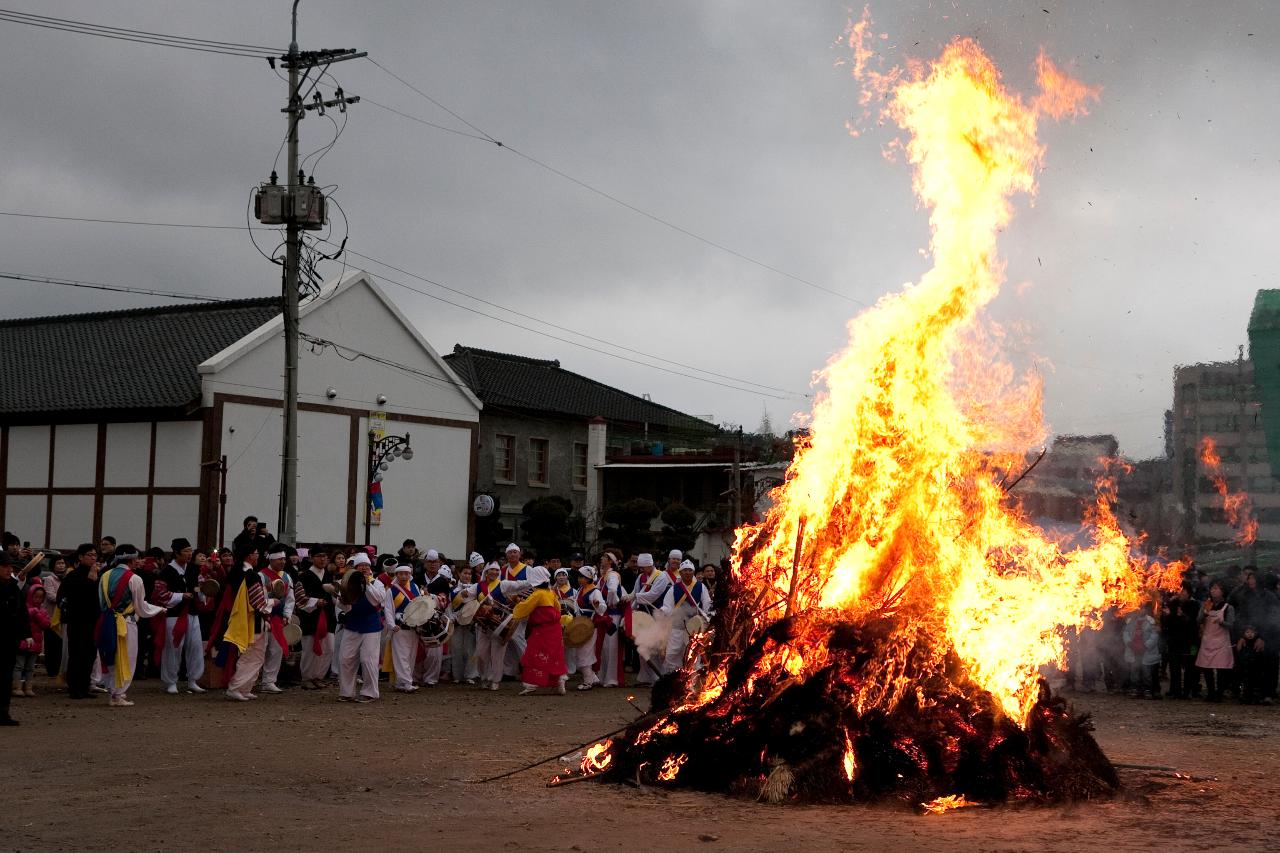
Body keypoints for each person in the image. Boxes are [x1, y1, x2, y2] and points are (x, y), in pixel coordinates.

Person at [96, 546, 166, 707]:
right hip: (126, 623)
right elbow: (141, 607)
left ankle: (112, 690)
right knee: (127, 657)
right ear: (131, 559)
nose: (138, 562)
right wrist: (159, 609)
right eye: (136, 559)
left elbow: (101, 602)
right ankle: (118, 694)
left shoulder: (105, 575)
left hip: (106, 621)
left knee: (109, 656)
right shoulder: (134, 579)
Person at [460, 562, 527, 691]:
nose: (495, 573)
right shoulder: (478, 586)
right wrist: (463, 594)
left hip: (499, 625)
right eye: (492, 570)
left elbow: (520, 585)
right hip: (483, 626)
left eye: (497, 570)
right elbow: (466, 595)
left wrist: (535, 581)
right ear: (486, 572)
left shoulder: (503, 584)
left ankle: (495, 680)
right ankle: (484, 677)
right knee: (481, 652)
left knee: (498, 654)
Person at [222, 545, 275, 702]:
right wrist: (273, 601)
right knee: (251, 654)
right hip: (252, 619)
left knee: (255, 655)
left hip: (244, 617)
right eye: (256, 553)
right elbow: (257, 602)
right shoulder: (250, 575)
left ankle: (245, 687)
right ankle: (236, 687)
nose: (258, 556)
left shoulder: (236, 573)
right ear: (249, 556)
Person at [335, 553, 387, 702]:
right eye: (360, 565)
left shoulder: (377, 583)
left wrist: (366, 584)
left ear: (370, 568)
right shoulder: (347, 583)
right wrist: (340, 598)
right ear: (355, 568)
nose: (364, 568)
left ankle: (370, 692)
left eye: (366, 565)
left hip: (371, 625)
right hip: (353, 624)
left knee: (368, 660)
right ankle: (346, 692)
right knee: (345, 658)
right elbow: (343, 606)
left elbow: (378, 599)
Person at [157, 537, 206, 695]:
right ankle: (171, 681)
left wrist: (203, 591)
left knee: (196, 646)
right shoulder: (166, 571)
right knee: (173, 647)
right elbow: (160, 594)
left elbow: (199, 587)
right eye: (186, 551)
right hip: (174, 615)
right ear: (176, 553)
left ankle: (193, 680)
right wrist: (180, 596)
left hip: (192, 613)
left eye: (191, 550)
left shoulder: (193, 569)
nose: (189, 554)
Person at [511, 566, 567, 695]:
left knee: (534, 654)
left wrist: (517, 605)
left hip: (541, 630)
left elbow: (524, 608)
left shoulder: (537, 594)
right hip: (554, 629)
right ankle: (560, 680)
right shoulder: (550, 593)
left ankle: (532, 684)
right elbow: (557, 608)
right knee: (555, 655)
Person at [58, 543, 101, 700]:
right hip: (77, 622)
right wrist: (90, 582)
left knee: (90, 655)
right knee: (77, 655)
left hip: (93, 621)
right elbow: (69, 598)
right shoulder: (73, 576)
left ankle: (85, 686)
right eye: (89, 555)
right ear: (81, 557)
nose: (92, 558)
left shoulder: (97, 575)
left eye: (95, 555)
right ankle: (74, 688)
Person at [629, 552, 675, 686]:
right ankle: (645, 677)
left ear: (650, 565)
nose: (642, 570)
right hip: (644, 614)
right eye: (641, 567)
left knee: (656, 647)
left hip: (658, 614)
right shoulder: (640, 577)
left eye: (644, 567)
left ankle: (658, 677)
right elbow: (636, 592)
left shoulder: (661, 577)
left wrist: (634, 597)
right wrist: (632, 609)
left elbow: (653, 595)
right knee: (643, 645)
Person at [661, 561, 713, 674]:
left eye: (690, 570)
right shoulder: (674, 588)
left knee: (693, 655)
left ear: (693, 572)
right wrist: (664, 611)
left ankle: (691, 682)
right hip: (677, 626)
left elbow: (707, 604)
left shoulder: (700, 587)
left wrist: (705, 618)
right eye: (685, 570)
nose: (688, 573)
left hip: (694, 627)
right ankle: (671, 678)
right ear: (680, 572)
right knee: (672, 653)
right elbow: (667, 605)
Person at [296, 548, 337, 690]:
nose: (323, 559)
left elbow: (334, 595)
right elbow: (299, 597)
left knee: (329, 648)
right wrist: (315, 601)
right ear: (312, 557)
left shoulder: (329, 575)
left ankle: (318, 676)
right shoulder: (304, 576)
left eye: (325, 556)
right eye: (319, 556)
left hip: (327, 615)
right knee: (309, 648)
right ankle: (307, 677)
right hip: (310, 616)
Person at [257, 545, 294, 695]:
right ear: (271, 559)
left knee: (276, 650)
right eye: (280, 559)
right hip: (263, 617)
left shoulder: (286, 576)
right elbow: (258, 597)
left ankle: (269, 681)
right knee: (260, 650)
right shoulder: (261, 575)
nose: (283, 562)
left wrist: (287, 614)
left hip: (278, 619)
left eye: (284, 559)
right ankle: (252, 679)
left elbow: (290, 599)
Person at [387, 563, 423, 693]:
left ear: (410, 575)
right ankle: (407, 683)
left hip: (413, 628)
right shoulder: (392, 591)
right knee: (401, 656)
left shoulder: (415, 587)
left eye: (406, 574)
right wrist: (392, 625)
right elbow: (388, 609)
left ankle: (400, 682)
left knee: (410, 656)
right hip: (399, 628)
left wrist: (420, 623)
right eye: (401, 574)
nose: (404, 576)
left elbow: (420, 606)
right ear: (396, 575)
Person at [1196, 581, 1235, 703]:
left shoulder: (1228, 607)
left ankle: (1219, 693)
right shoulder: (1206, 604)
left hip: (1222, 641)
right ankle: (1211, 692)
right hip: (1208, 640)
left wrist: (1221, 622)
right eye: (1212, 588)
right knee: (1206, 667)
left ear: (1223, 591)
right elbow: (1198, 621)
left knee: (1221, 668)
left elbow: (1231, 625)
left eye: (1217, 588)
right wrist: (1204, 613)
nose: (1213, 591)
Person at [0, 552, 27, 725]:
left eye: (10, 567)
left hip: (8, 639)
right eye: (5, 566)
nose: (9, 570)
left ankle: (3, 713)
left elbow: (21, 612)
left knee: (5, 677)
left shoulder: (12, 586)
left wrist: (27, 633)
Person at [13, 580, 50, 698]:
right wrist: (34, 612)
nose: (38, 599)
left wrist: (37, 615)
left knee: (30, 667)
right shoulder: (23, 609)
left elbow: (46, 625)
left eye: (41, 597)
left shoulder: (43, 611)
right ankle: (16, 686)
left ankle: (28, 687)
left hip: (36, 643)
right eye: (36, 597)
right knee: (19, 665)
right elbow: (22, 619)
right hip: (23, 642)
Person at [596, 552, 628, 687]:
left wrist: (610, 603)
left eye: (604, 558)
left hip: (612, 615)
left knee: (611, 646)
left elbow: (613, 590)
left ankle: (612, 678)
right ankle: (603, 676)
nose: (601, 559)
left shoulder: (613, 575)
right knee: (604, 646)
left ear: (610, 561)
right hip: (606, 615)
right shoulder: (603, 576)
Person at [1162, 585, 1200, 698]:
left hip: (1191, 642)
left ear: (1189, 593)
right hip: (1175, 641)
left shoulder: (1194, 605)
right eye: (1179, 590)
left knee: (1190, 667)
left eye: (1183, 591)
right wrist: (1167, 615)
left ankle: (1189, 690)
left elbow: (1194, 622)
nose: (1180, 593)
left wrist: (1183, 616)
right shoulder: (1173, 604)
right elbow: (1167, 623)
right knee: (1174, 667)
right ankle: (1175, 690)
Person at [449, 558, 481, 684]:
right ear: (459, 574)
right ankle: (457, 676)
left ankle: (470, 675)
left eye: (469, 574)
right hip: (456, 623)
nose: (467, 576)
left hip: (471, 623)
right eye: (465, 573)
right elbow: (449, 607)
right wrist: (453, 618)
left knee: (470, 648)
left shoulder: (475, 589)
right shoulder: (453, 589)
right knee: (456, 648)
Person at [574, 566, 606, 690]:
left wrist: (598, 605)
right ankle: (593, 678)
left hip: (590, 625)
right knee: (582, 651)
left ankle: (588, 681)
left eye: (582, 577)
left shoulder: (595, 591)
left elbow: (603, 607)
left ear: (588, 579)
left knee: (584, 651)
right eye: (579, 576)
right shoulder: (581, 589)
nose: (579, 579)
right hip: (581, 625)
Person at [1121, 600, 1161, 699]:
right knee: (1134, 671)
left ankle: (1147, 689)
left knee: (1146, 672)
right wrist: (1129, 642)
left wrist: (1146, 645)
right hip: (1133, 650)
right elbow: (1126, 632)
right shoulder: (1130, 620)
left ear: (1146, 610)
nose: (1141, 610)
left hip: (1146, 651)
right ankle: (1135, 688)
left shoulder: (1150, 621)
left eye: (1143, 608)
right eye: (1139, 608)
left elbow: (1154, 635)